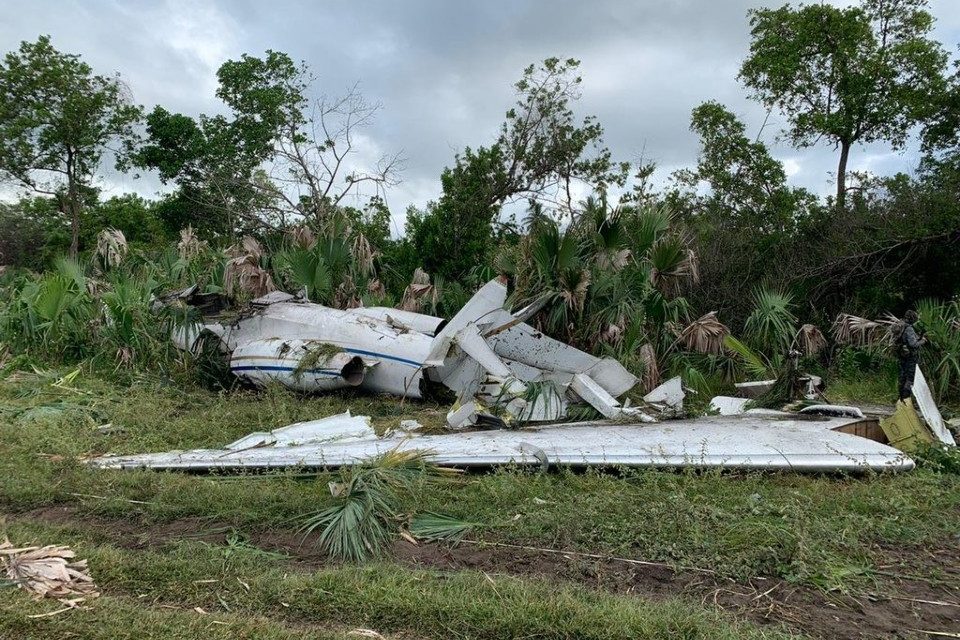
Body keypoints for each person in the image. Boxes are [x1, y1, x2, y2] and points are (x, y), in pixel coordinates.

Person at [896, 310, 926, 401]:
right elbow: (913, 344)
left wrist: (919, 337)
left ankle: (900, 399)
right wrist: (923, 341)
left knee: (902, 377)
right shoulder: (909, 328)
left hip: (902, 355)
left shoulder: (901, 326)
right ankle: (906, 400)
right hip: (910, 357)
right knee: (910, 378)